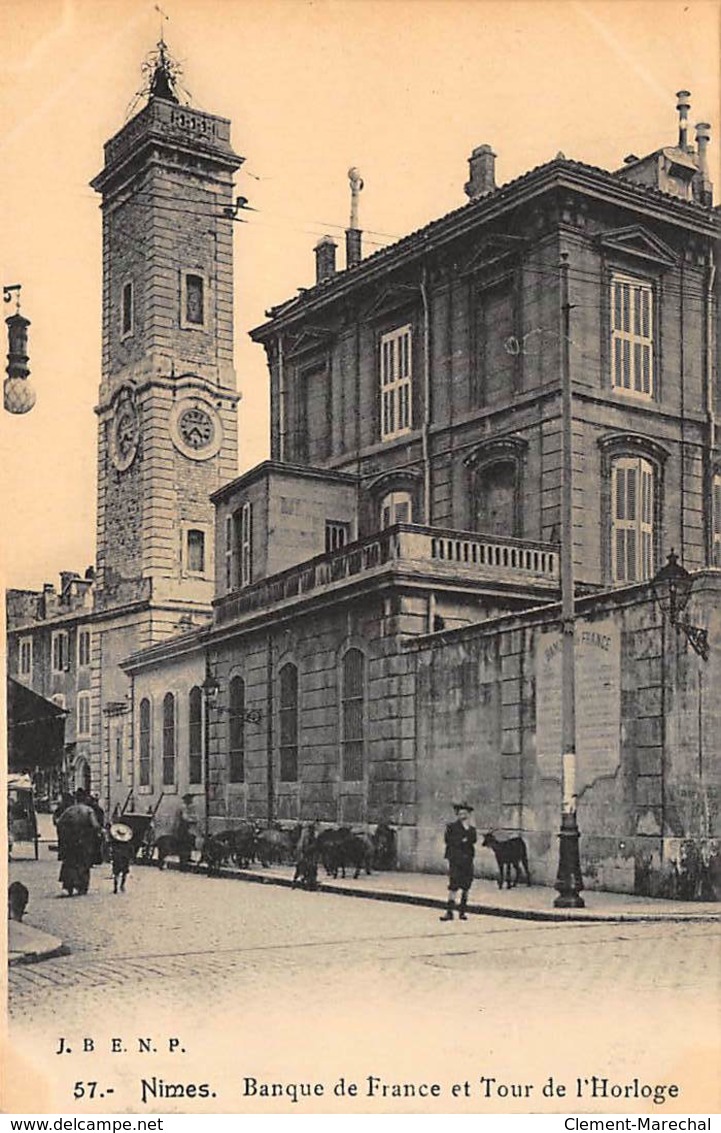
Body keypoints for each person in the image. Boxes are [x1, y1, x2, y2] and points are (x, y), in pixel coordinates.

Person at [440, 801, 477, 922]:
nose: (462, 815)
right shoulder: (451, 827)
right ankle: (449, 912)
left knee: (466, 885)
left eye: (465, 813)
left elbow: (473, 840)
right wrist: (462, 840)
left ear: (468, 815)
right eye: (460, 813)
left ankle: (462, 911)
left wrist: (465, 839)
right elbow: (448, 840)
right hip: (455, 859)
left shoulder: (471, 828)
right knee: (453, 884)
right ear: (457, 814)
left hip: (467, 860)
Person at [56, 800, 101, 896]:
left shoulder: (69, 810)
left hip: (70, 843)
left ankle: (67, 887)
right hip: (84, 843)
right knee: (84, 864)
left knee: (69, 863)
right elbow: (95, 825)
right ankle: (81, 886)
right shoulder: (89, 811)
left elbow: (59, 822)